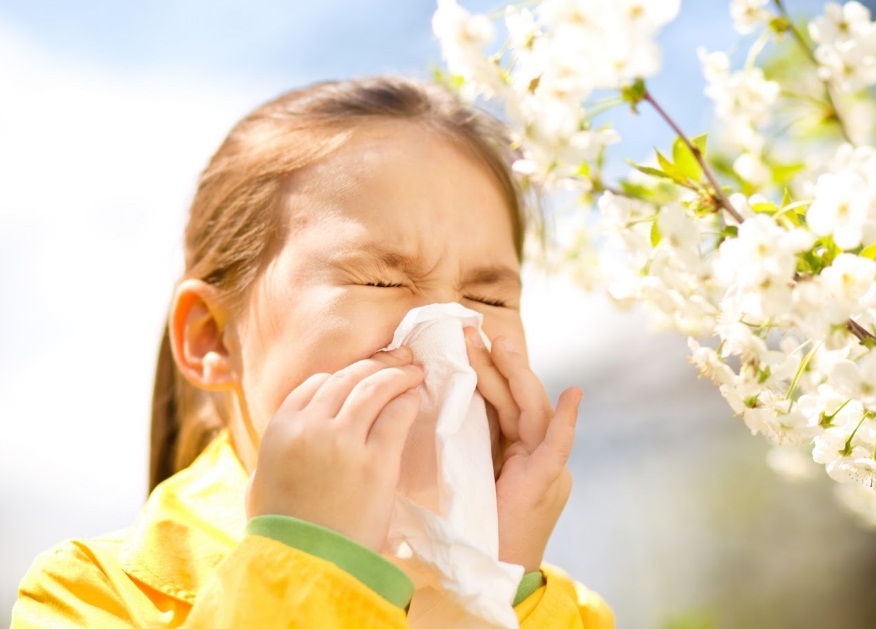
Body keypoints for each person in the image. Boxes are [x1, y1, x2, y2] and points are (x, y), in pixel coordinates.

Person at [12, 76, 614, 627]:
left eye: (487, 296)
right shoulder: (86, 594)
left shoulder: (569, 613)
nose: (448, 336)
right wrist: (311, 562)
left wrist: (494, 585)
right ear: (212, 339)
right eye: (381, 281)